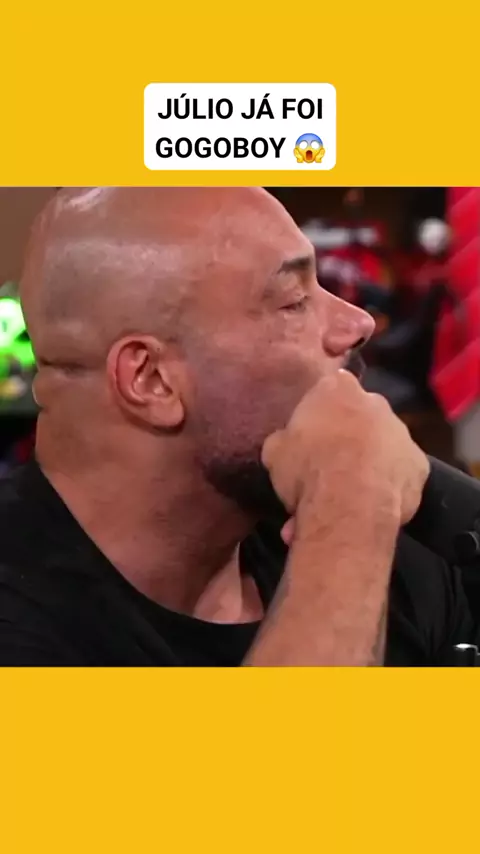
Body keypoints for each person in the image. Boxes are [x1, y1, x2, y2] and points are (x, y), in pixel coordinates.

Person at [0, 187, 474, 666]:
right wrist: (351, 502)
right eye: (294, 301)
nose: (358, 323)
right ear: (152, 379)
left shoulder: (401, 576)